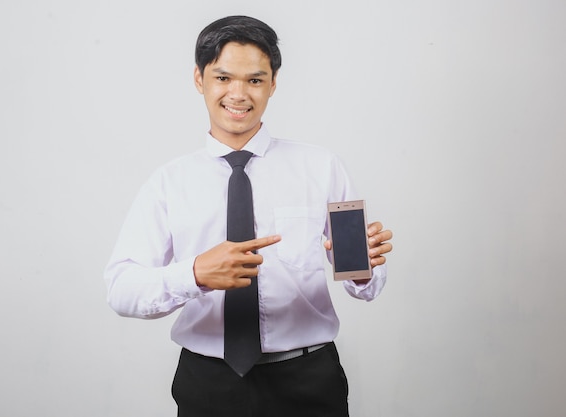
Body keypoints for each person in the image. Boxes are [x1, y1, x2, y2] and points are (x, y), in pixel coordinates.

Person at [104, 15, 393, 417]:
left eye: (255, 80)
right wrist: (195, 274)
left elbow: (367, 281)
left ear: (273, 83)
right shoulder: (168, 183)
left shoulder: (321, 167)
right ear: (199, 78)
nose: (238, 94)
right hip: (209, 384)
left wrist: (363, 268)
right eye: (223, 78)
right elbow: (121, 288)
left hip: (308, 380)